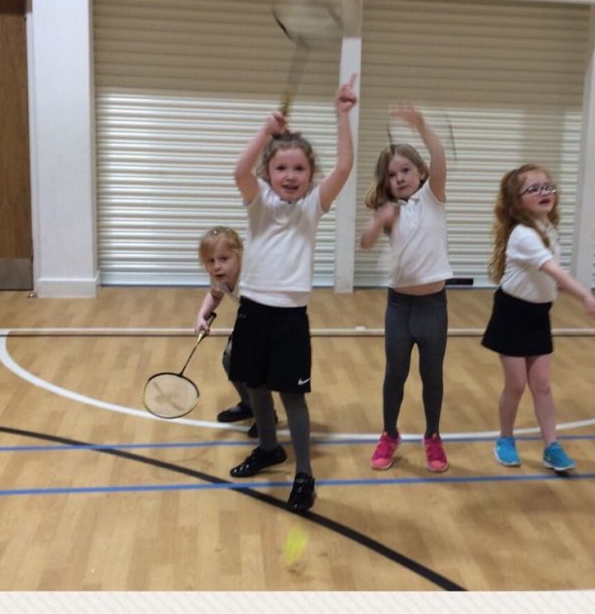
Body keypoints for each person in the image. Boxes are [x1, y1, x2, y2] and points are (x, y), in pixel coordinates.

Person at [226, 76, 358, 513]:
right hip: (253, 309)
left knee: (292, 395)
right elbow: (239, 171)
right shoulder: (258, 200)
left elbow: (344, 168)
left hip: (289, 316)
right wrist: (265, 131)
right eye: (281, 168)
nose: (289, 176)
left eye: (299, 169)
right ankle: (268, 448)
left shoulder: (312, 207)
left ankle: (304, 474)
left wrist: (342, 115)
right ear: (268, 172)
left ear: (310, 176)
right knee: (254, 385)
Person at [481, 164, 595, 474]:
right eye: (533, 189)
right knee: (516, 385)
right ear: (516, 201)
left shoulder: (547, 228)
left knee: (542, 384)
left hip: (538, 314)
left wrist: (573, 294)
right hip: (511, 313)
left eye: (547, 186)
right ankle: (505, 439)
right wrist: (586, 296)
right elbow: (554, 271)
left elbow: (552, 279)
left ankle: (552, 446)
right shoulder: (523, 235)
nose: (544, 192)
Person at [359, 104, 453, 473]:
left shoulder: (433, 197)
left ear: (421, 172)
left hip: (433, 307)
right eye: (392, 174)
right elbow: (365, 243)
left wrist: (421, 125)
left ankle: (433, 435)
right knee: (394, 374)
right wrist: (377, 221)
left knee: (432, 376)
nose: (399, 178)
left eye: (406, 170)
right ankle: (390, 433)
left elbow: (439, 156)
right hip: (399, 307)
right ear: (385, 182)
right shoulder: (389, 210)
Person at [192, 226, 276, 440]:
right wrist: (201, 315)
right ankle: (249, 404)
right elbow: (215, 295)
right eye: (210, 261)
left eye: (223, 259)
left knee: (256, 373)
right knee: (230, 361)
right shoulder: (218, 276)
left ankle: (267, 416)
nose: (216, 266)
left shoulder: (252, 276)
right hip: (250, 318)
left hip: (271, 321)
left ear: (239, 256)